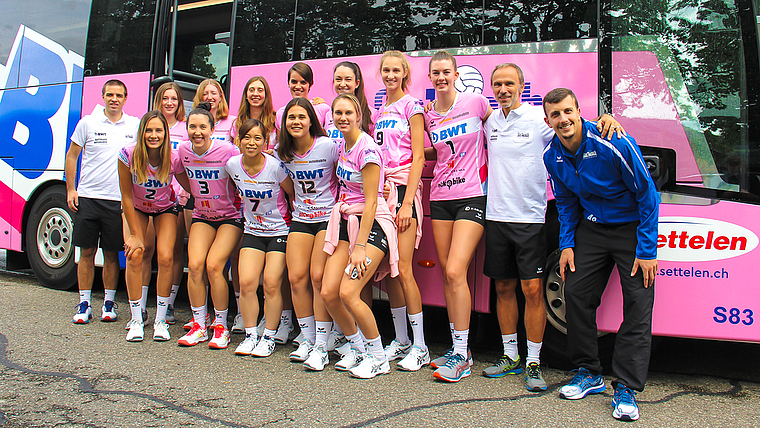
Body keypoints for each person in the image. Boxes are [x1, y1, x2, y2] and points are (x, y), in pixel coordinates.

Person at [481, 64, 624, 391]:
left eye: (509, 84)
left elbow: (573, 129)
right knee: (503, 288)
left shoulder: (538, 121)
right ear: (493, 88)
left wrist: (607, 119)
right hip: (497, 217)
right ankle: (510, 357)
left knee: (532, 290)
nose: (503, 89)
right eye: (498, 84)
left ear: (521, 86)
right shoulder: (490, 122)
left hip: (531, 218)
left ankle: (533, 362)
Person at [542, 88, 658, 421]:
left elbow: (647, 194)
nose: (563, 119)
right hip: (591, 231)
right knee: (575, 292)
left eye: (568, 111)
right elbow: (565, 202)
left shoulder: (614, 142)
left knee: (638, 302)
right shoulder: (553, 156)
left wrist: (647, 248)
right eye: (555, 115)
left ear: (579, 111)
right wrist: (566, 244)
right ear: (548, 120)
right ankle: (588, 372)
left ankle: (626, 388)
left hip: (630, 230)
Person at [423, 51, 491, 382]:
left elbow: (499, 130)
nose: (441, 77)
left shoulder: (476, 102)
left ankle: (462, 355)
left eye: (446, 72)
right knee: (448, 278)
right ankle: (457, 346)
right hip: (440, 197)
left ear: (455, 74)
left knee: (454, 269)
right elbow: (434, 150)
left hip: (473, 195)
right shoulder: (428, 114)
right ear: (430, 77)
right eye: (435, 73)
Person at [320, 93, 399, 379]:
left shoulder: (367, 150)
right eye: (337, 113)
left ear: (359, 116)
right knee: (329, 292)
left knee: (348, 293)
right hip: (346, 220)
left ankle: (378, 358)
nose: (343, 118)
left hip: (372, 225)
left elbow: (372, 202)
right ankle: (357, 348)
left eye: (348, 113)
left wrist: (360, 247)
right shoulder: (343, 144)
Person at [66, 79, 139, 324]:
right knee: (86, 252)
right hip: (88, 197)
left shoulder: (135, 126)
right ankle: (84, 303)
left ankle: (109, 303)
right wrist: (71, 189)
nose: (114, 99)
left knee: (111, 254)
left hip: (117, 201)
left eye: (119, 95)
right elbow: (72, 156)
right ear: (103, 96)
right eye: (110, 95)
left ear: (125, 98)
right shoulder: (88, 122)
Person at [373, 51, 429, 371]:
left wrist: (407, 202)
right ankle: (402, 340)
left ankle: (421, 347)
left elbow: (418, 158)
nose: (391, 75)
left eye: (396, 70)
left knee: (405, 269)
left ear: (405, 73)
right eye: (386, 70)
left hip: (404, 193)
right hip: (384, 193)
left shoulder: (412, 105)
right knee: (392, 270)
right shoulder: (382, 110)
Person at [275, 98, 340, 368]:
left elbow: (343, 176)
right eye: (291, 117)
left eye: (302, 117)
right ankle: (308, 337)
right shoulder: (283, 153)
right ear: (284, 123)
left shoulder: (327, 146)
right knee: (296, 277)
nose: (296, 122)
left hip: (328, 218)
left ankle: (322, 343)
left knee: (316, 277)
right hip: (302, 218)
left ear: (311, 120)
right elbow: (290, 189)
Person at [176, 102, 243, 349]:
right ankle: (198, 324)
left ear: (212, 129)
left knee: (214, 265)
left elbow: (244, 174)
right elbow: (180, 173)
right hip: (202, 215)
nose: (197, 131)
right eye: (192, 126)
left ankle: (221, 325)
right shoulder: (183, 151)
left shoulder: (227, 150)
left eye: (203, 126)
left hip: (229, 216)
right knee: (194, 265)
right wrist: (193, 191)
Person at [118, 110, 188, 342]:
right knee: (136, 254)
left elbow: (188, 183)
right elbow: (126, 196)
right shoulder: (128, 154)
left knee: (166, 257)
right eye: (149, 130)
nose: (154, 135)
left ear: (166, 133)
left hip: (164, 208)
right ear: (142, 133)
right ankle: (137, 318)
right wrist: (135, 235)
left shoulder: (173, 156)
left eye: (159, 130)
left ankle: (160, 319)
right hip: (136, 207)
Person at [234, 76, 295, 343]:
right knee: (246, 282)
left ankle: (269, 337)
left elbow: (292, 195)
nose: (251, 142)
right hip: (252, 230)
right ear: (239, 140)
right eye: (246, 137)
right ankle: (250, 335)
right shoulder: (232, 165)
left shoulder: (276, 166)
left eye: (257, 138)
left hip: (280, 230)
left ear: (265, 141)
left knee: (272, 283)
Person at [153, 82, 189, 325]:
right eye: (165, 98)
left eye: (174, 98)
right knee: (149, 252)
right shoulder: (151, 126)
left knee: (175, 252)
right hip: (151, 198)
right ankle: (147, 303)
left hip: (177, 198)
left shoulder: (186, 129)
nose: (169, 102)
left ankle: (169, 304)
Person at [275, 62, 333, 132]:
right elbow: (281, 140)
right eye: (294, 82)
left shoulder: (322, 109)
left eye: (303, 82)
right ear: (288, 83)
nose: (298, 86)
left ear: (310, 85)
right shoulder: (281, 113)